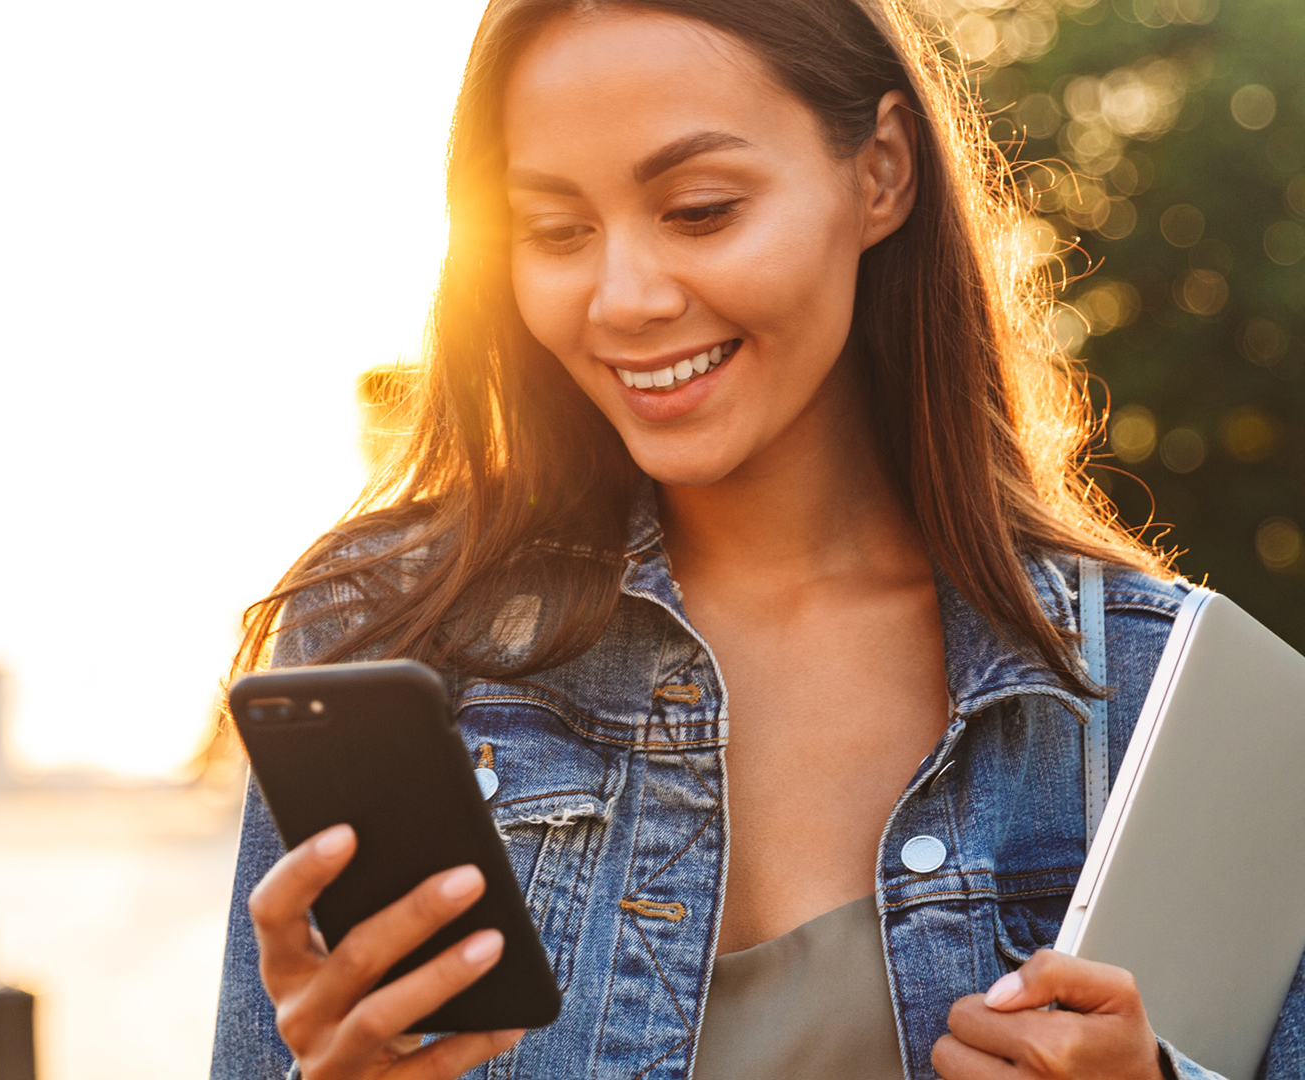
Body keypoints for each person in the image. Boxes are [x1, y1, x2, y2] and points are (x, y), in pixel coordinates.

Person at [210, 0, 1305, 1077]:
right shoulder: (388, 641)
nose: (623, 298)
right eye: (555, 232)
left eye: (699, 210)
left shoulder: (1161, 698)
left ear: (880, 172)